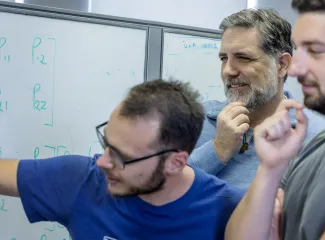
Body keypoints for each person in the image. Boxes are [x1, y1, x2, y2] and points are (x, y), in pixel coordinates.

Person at [0, 79, 244, 240]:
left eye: (122, 157)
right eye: (107, 144)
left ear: (175, 162)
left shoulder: (230, 210)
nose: (103, 162)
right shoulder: (81, 180)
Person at [225, 0, 325, 239]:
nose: (295, 69)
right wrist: (271, 168)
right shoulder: (314, 147)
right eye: (300, 51)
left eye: (316, 51)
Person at [188, 8, 325, 189]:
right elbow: (157, 193)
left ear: (282, 65)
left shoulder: (316, 140)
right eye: (224, 58)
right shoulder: (194, 119)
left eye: (243, 57)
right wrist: (217, 149)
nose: (227, 71)